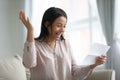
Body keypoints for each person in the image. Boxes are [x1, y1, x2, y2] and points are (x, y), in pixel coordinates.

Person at [19, 7, 106, 80]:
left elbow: (76, 73)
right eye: (59, 25)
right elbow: (28, 64)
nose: (63, 30)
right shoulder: (35, 45)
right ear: (47, 24)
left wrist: (94, 64)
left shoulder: (65, 44)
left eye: (64, 26)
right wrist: (30, 30)